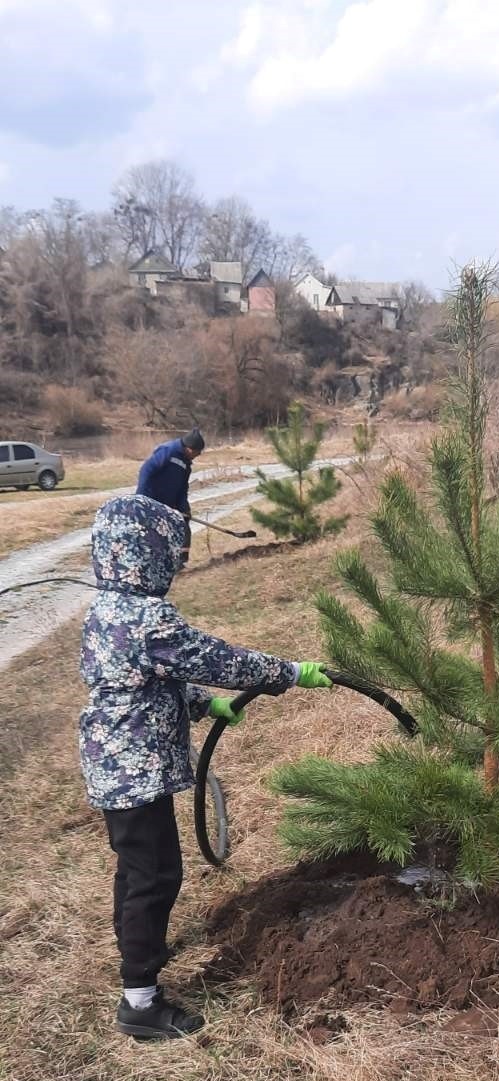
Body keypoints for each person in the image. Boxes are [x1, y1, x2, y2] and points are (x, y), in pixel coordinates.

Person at [78, 494, 332, 1040]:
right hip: (134, 771)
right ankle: (140, 1000)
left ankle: (137, 947)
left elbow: (144, 677)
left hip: (115, 766)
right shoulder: (148, 616)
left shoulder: (107, 608)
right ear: (149, 556)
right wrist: (287, 672)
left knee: (136, 868)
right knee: (156, 875)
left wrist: (200, 704)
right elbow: (215, 658)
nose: (178, 564)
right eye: (173, 555)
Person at [136, 428, 205, 567]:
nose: (199, 455)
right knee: (153, 534)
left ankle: (179, 562)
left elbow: (183, 488)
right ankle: (146, 564)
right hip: (151, 500)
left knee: (183, 525)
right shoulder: (168, 451)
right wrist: (143, 498)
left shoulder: (186, 464)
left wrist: (184, 507)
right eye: (198, 452)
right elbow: (146, 471)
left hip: (170, 502)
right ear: (190, 449)